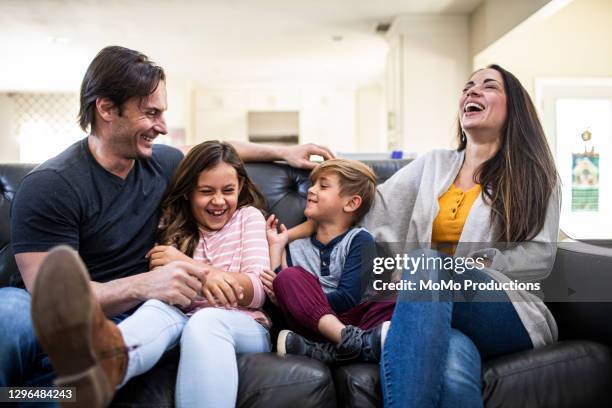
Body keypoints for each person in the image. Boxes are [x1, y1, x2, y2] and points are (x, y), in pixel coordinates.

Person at [0, 45, 333, 393]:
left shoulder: (159, 163)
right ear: (107, 109)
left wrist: (283, 152)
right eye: (151, 113)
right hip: (66, 312)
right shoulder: (51, 185)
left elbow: (211, 151)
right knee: (7, 310)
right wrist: (146, 284)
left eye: (162, 112)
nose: (162, 126)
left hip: (138, 317)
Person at [364, 65, 560, 407]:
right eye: (467, 86)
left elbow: (541, 256)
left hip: (506, 309)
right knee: (452, 362)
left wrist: (487, 260)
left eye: (488, 86)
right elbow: (373, 210)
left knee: (427, 263)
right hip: (433, 309)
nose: (472, 91)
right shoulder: (433, 164)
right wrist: (325, 188)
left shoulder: (537, 175)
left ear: (514, 107)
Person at [33, 141, 272, 407]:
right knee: (155, 310)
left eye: (228, 190)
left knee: (206, 322)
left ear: (240, 188)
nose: (218, 201)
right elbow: (171, 291)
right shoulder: (172, 225)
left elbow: (256, 291)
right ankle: (105, 368)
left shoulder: (248, 218)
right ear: (188, 193)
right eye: (206, 191)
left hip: (242, 325)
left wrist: (190, 266)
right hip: (182, 318)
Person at [262, 159, 395, 364]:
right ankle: (354, 345)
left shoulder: (360, 240)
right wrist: (276, 246)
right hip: (308, 325)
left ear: (351, 203)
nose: (311, 190)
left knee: (405, 293)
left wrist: (301, 298)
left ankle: (328, 350)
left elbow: (347, 300)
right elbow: (280, 291)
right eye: (312, 185)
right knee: (288, 277)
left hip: (354, 321)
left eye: (323, 186)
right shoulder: (296, 247)